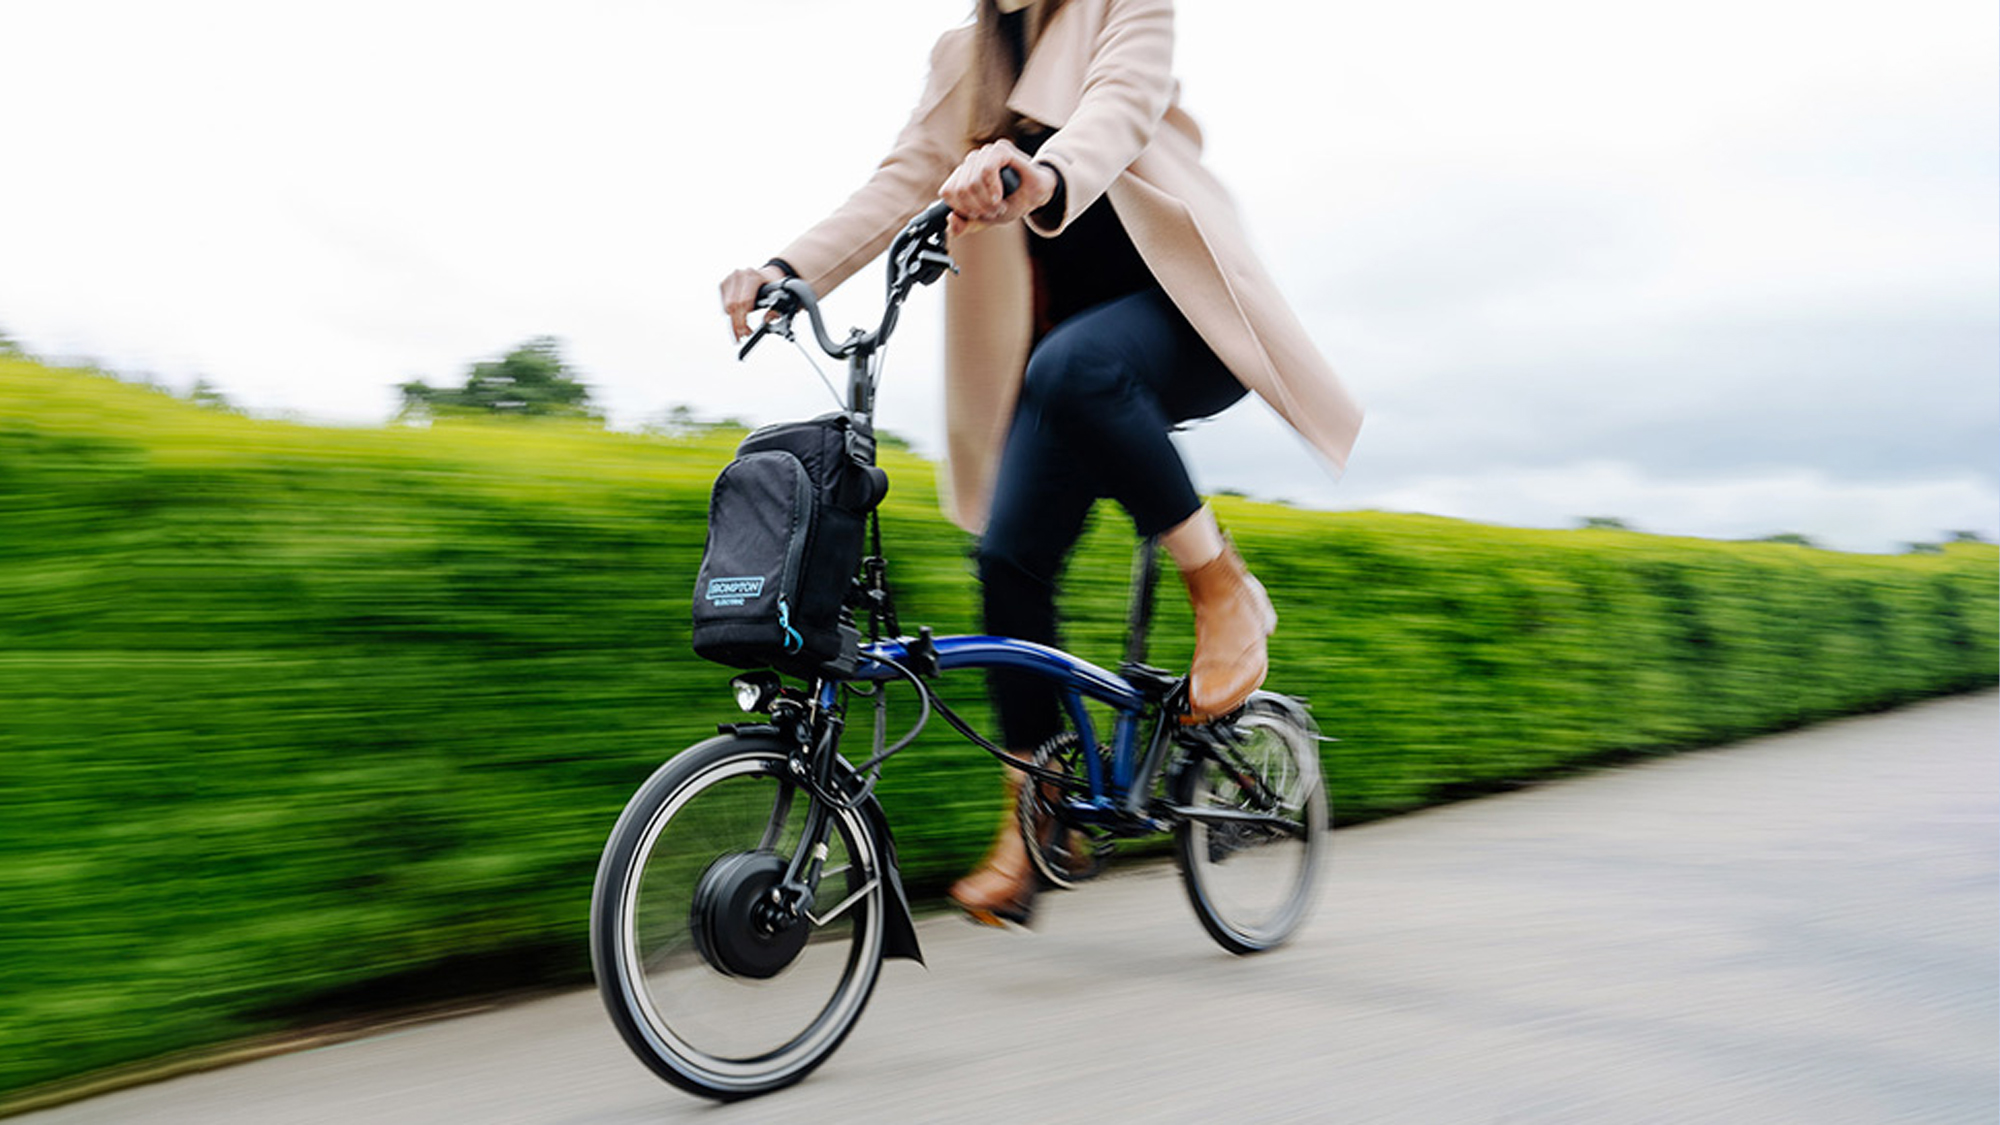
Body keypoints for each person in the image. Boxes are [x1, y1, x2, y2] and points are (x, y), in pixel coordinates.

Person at [719, 0, 1362, 928]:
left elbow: (1117, 110)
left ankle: (1223, 588)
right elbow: (900, 179)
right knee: (1006, 560)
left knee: (1077, 368)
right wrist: (788, 269)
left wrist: (1038, 171)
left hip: (1184, 318)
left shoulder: (1123, 6)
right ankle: (1040, 805)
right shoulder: (964, 55)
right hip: (1063, 370)